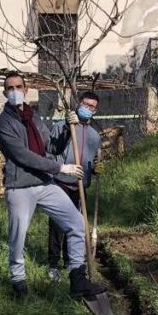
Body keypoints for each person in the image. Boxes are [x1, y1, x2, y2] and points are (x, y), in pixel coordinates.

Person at [0, 71, 106, 301]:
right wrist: (60, 168)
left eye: (18, 87)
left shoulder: (33, 117)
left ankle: (77, 278)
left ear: (25, 90)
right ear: (5, 93)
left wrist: (67, 128)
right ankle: (19, 282)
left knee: (76, 223)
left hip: (44, 182)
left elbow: (50, 146)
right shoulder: (3, 122)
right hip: (20, 185)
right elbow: (22, 155)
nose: (14, 91)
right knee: (18, 238)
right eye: (10, 88)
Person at [47, 90, 101, 281]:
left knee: (76, 225)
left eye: (92, 107)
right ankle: (53, 264)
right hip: (61, 183)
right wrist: (67, 129)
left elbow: (92, 160)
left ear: (96, 110)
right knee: (57, 225)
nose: (88, 108)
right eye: (85, 104)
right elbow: (51, 151)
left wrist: (96, 169)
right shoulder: (62, 126)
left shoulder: (95, 136)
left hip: (80, 187)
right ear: (79, 103)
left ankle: (71, 261)